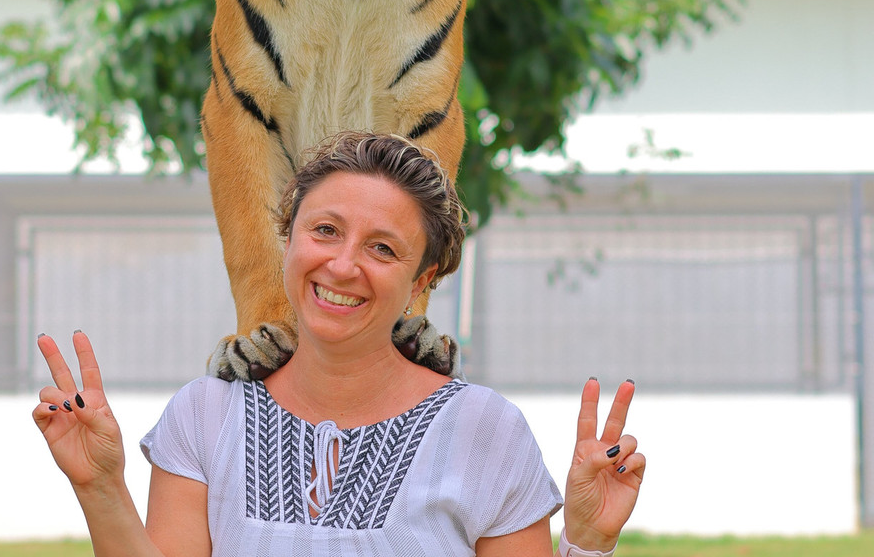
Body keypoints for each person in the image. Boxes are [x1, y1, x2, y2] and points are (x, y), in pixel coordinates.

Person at [33, 132, 645, 556]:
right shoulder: (203, 416)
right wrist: (101, 487)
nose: (344, 265)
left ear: (422, 280)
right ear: (290, 241)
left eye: (383, 248)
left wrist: (587, 542)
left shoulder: (487, 432)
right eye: (325, 231)